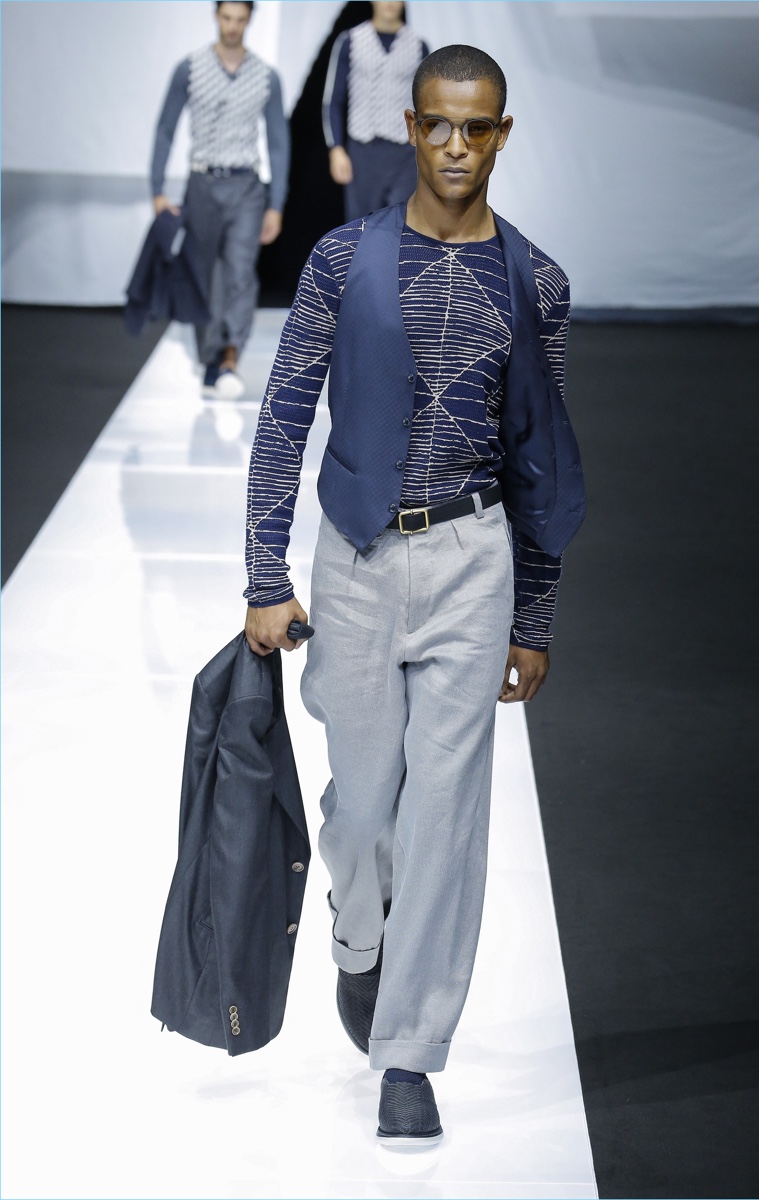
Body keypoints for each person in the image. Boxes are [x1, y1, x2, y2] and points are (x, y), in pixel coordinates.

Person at [244, 45, 585, 1144]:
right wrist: (264, 574)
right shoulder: (342, 260)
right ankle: (360, 938)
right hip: (353, 561)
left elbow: (540, 459)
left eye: (475, 128)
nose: (453, 145)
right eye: (436, 123)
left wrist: (533, 615)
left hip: (472, 559)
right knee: (361, 807)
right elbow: (284, 415)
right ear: (411, 124)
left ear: (501, 134)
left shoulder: (536, 282)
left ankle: (409, 1051)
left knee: (446, 816)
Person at [150, 0, 289, 399]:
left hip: (247, 185)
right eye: (227, 17)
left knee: (241, 272)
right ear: (216, 16)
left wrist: (276, 203)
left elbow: (278, 143)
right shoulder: (190, 68)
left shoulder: (266, 77)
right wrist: (157, 189)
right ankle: (211, 356)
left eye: (240, 19)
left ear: (249, 20)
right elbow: (165, 128)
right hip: (202, 183)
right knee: (204, 272)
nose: (232, 26)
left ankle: (230, 355)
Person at [323, 2, 428, 222]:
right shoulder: (350, 41)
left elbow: (428, 105)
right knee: (362, 227)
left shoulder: (419, 46)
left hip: (405, 155)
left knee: (402, 225)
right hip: (363, 153)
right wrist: (336, 149)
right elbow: (333, 99)